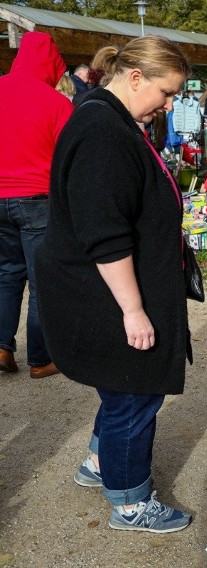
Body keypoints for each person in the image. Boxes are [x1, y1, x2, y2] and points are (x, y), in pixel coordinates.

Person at [36, 35, 193, 533]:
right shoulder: (103, 131)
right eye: (166, 93)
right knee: (135, 391)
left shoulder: (110, 119)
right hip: (106, 294)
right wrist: (133, 309)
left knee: (120, 387)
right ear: (135, 78)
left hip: (105, 288)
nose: (169, 105)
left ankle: (101, 463)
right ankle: (129, 502)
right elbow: (105, 233)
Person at [0, 31, 72, 379]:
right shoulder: (57, 103)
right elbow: (68, 159)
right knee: (41, 279)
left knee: (7, 274)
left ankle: (1, 345)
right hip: (36, 200)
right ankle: (41, 359)